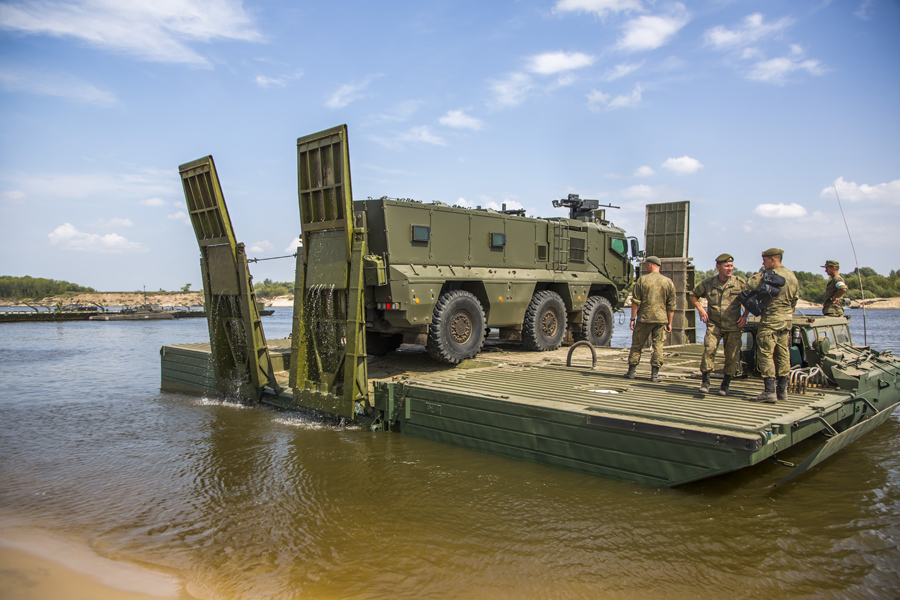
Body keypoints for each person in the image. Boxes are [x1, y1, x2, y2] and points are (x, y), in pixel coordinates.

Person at [743, 248, 799, 403]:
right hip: (786, 320)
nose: (763, 263)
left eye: (765, 260)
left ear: (773, 260)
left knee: (765, 353)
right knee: (782, 354)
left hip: (771, 321)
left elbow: (749, 285)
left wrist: (755, 276)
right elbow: (795, 299)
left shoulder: (769, 276)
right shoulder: (792, 276)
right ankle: (782, 391)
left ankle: (769, 391)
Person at [689, 253, 748, 396]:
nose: (730, 268)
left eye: (731, 266)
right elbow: (693, 295)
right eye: (726, 266)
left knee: (732, 355)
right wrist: (701, 308)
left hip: (733, 325)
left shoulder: (739, 283)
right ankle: (706, 382)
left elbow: (750, 300)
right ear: (718, 267)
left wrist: (745, 316)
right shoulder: (709, 284)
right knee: (709, 349)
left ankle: (725, 384)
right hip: (714, 324)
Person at [624, 256, 675, 383]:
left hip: (644, 318)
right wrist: (670, 322)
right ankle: (655, 375)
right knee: (658, 346)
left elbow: (636, 302)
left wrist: (632, 319)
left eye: (646, 265)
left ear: (650, 265)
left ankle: (631, 372)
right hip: (661, 319)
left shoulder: (642, 280)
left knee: (637, 345)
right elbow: (671, 306)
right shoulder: (668, 282)